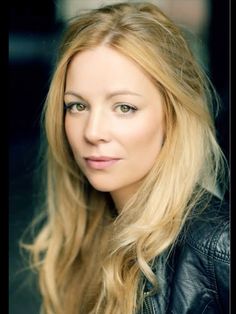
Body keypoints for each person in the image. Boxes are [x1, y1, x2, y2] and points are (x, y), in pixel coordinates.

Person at [21, 2, 229, 314]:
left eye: (124, 107)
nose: (92, 132)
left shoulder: (218, 249)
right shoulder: (86, 234)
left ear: (173, 116)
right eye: (77, 106)